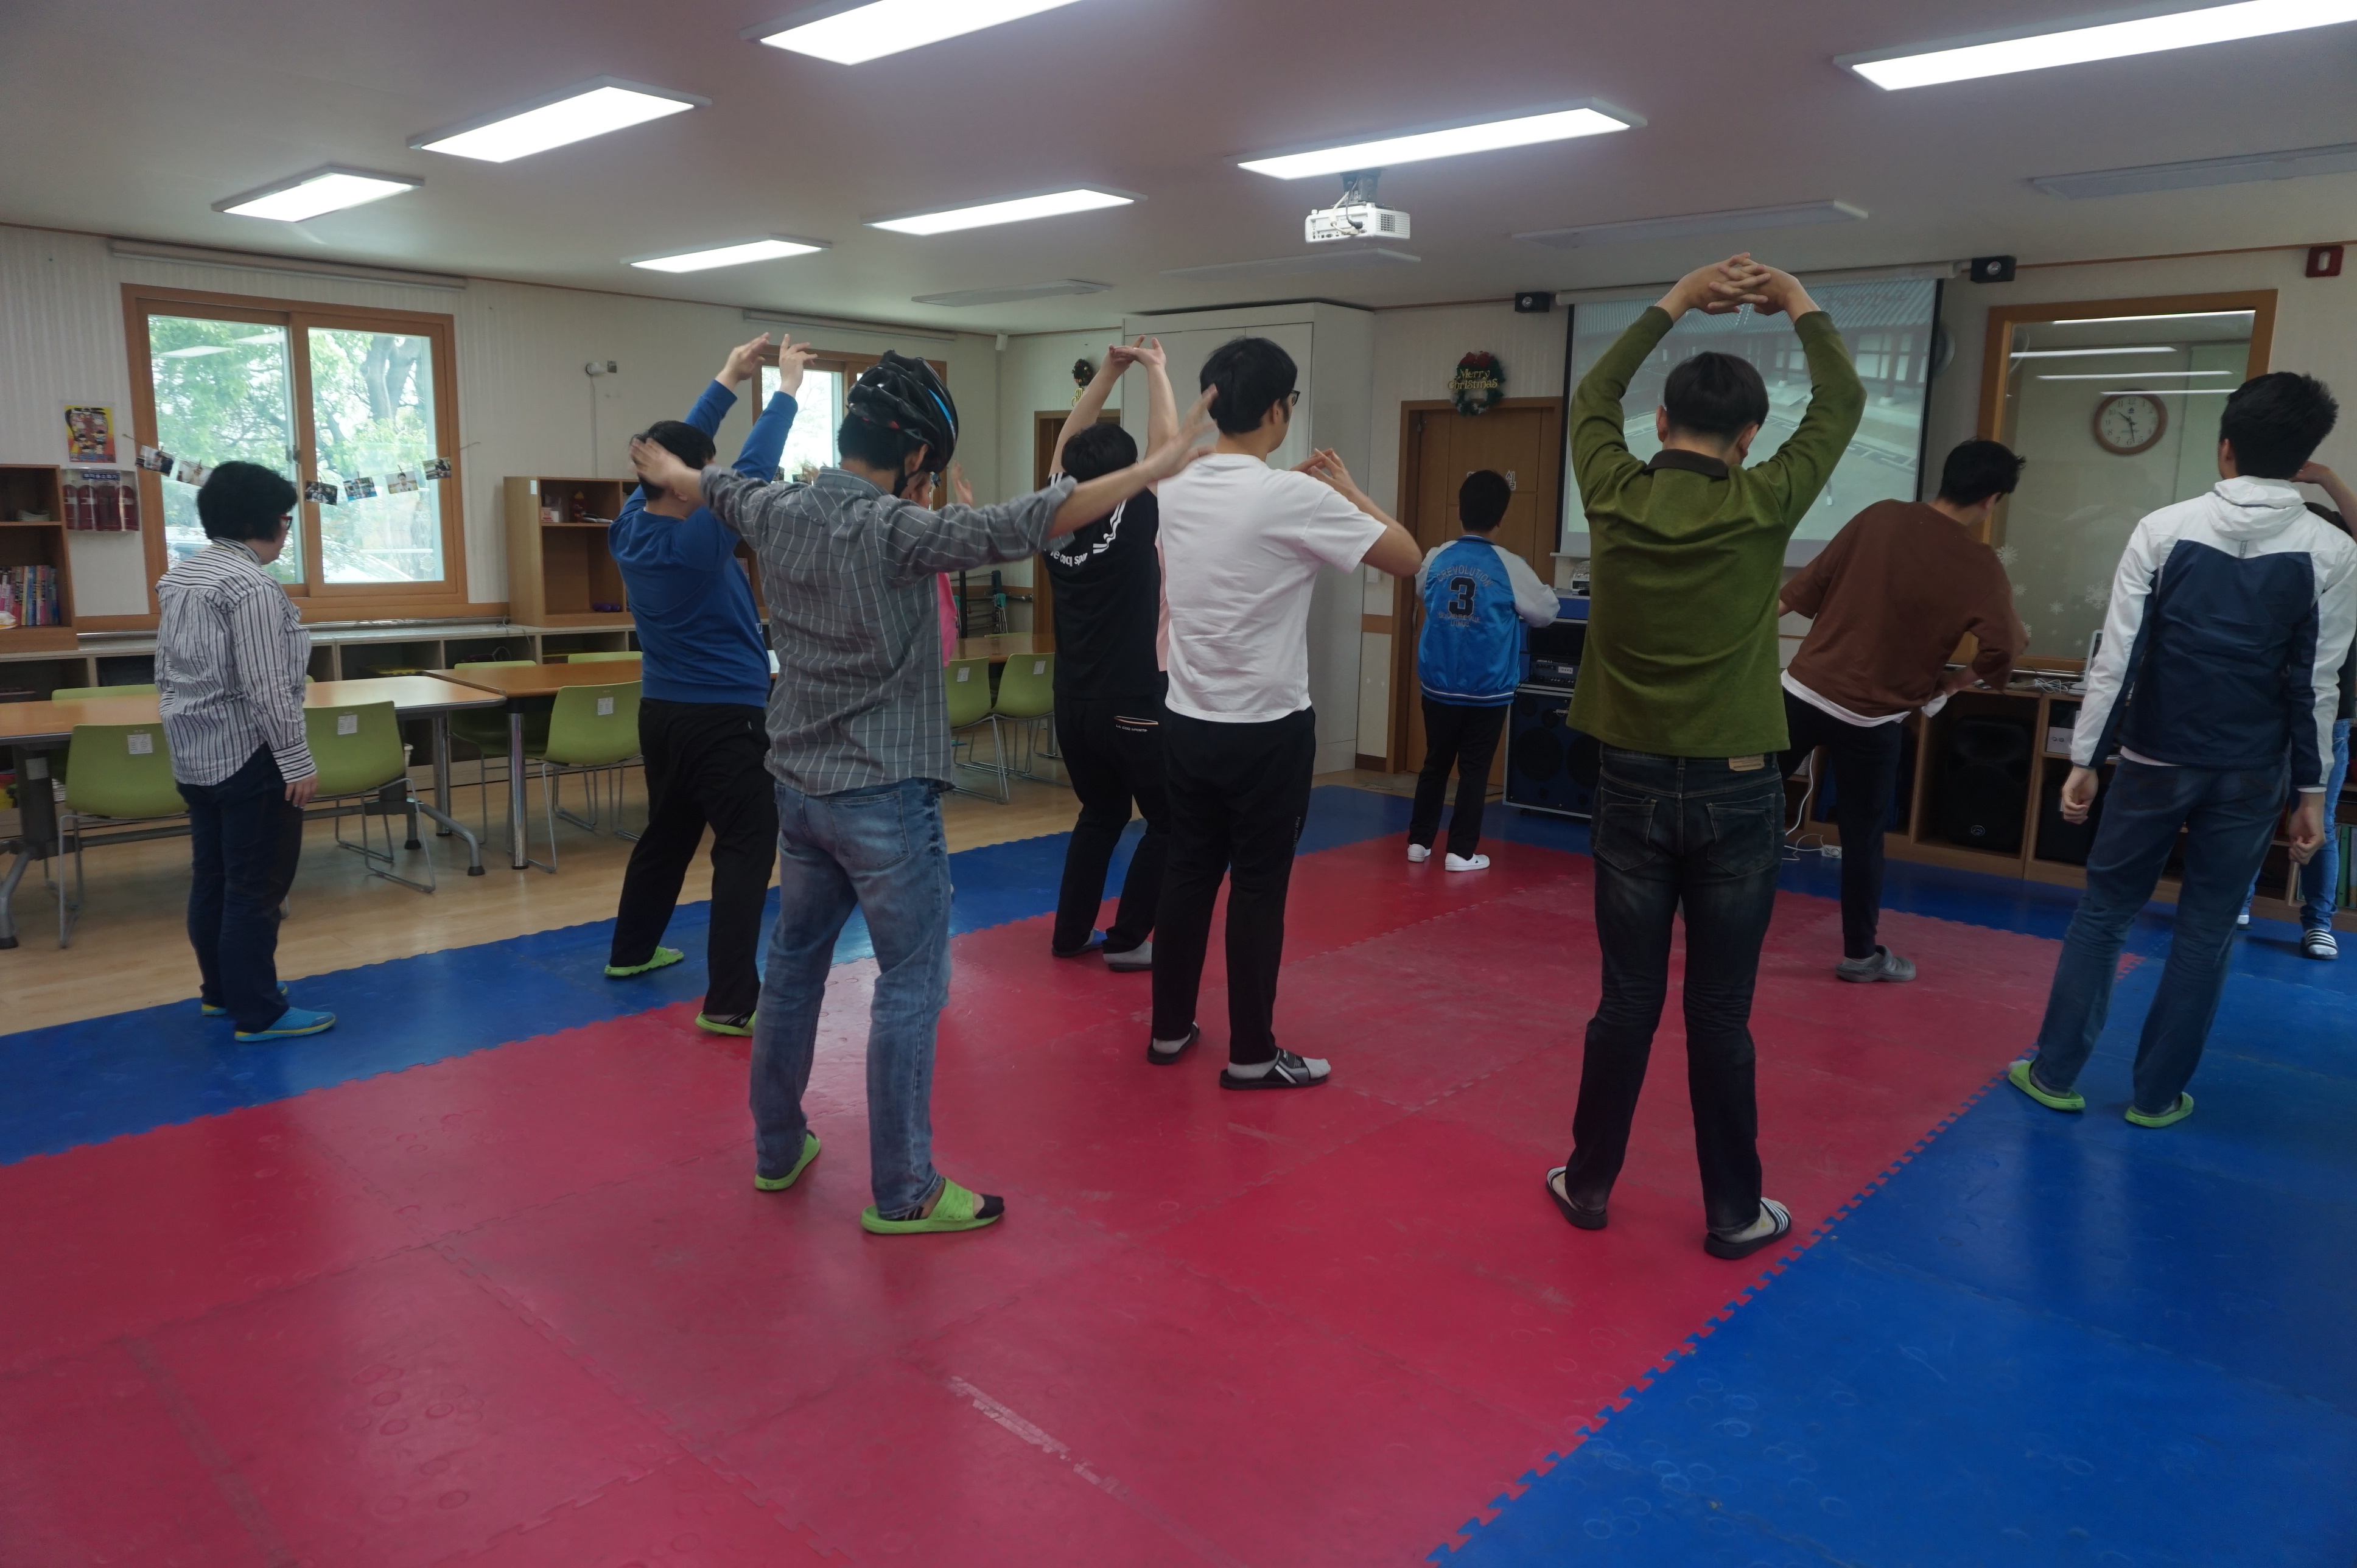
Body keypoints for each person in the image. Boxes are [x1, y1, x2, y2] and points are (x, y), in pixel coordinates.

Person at [629, 352, 1216, 1233]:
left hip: (799, 791)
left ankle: (777, 1149)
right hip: (885, 798)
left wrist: (672, 467)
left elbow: (708, 482)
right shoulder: (899, 531)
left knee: (791, 969)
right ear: (913, 460)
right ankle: (904, 1189)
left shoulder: (774, 507)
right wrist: (1153, 469)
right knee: (910, 984)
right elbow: (1032, 519)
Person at [1549, 254, 1865, 1261]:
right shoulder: (1763, 500)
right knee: (1721, 1015)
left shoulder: (1612, 491)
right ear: (1748, 437)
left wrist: (1678, 298)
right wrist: (1794, 299)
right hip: (1737, 791)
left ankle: (1588, 1183)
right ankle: (1734, 1212)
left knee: (1625, 1002)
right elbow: (1843, 401)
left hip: (1629, 784)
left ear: (1658, 425)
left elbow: (1591, 397)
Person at [2012, 373, 2354, 1127]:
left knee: (2104, 913)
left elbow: (2117, 657)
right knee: (2206, 930)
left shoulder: (2161, 527)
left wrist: (2083, 761)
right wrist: (2309, 794)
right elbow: (2316, 684)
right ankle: (2156, 1095)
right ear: (2303, 458)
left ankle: (2052, 1072)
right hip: (2252, 771)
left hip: (2152, 759)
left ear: (2224, 447)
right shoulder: (2331, 550)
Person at [1140, 338, 1423, 1088]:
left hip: (1186, 719)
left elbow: (1178, 457)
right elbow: (1407, 556)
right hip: (1266, 730)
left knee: (1188, 871)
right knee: (1258, 886)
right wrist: (1348, 491)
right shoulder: (1296, 499)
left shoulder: (1175, 481)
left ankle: (1167, 1030)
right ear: (1276, 410)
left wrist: (1156, 375)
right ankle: (1252, 1053)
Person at [602, 332, 810, 1034]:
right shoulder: (698, 540)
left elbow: (680, 458)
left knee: (668, 832)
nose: (711, 477)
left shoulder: (629, 526)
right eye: (701, 471)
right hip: (724, 720)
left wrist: (727, 376)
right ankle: (729, 1001)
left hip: (662, 715)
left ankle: (631, 950)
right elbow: (749, 472)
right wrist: (785, 391)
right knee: (747, 847)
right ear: (683, 480)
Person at [1777, 439, 2030, 981]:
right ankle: (1860, 955)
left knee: (1748, 806)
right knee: (1862, 839)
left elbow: (1804, 588)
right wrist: (1954, 683)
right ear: (1991, 500)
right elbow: (2006, 646)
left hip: (1802, 693)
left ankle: (1700, 905)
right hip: (1872, 721)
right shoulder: (1979, 565)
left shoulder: (1880, 516)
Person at [157, 462, 334, 1041]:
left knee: (213, 879)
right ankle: (259, 1012)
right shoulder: (251, 586)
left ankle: (222, 992)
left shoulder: (182, 577)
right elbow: (267, 686)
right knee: (255, 889)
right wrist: (297, 759)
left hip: (195, 752)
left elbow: (169, 672)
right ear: (268, 522)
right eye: (286, 519)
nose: (287, 531)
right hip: (250, 755)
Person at [1041, 337, 1178, 970]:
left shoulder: (1050, 517)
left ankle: (1070, 933)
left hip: (1071, 701)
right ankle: (1126, 941)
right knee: (1168, 820)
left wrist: (1106, 375)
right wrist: (1154, 371)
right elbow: (1166, 447)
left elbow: (1065, 446)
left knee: (1099, 811)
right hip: (1132, 699)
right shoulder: (1138, 509)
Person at [1406, 467, 1560, 871]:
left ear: (1460, 511)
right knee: (1474, 769)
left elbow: (1421, 590)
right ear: (1501, 518)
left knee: (1435, 762)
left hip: (1439, 682)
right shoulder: (1509, 565)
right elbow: (1546, 612)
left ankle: (1419, 842)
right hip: (1486, 687)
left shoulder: (1437, 557)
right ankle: (1460, 851)